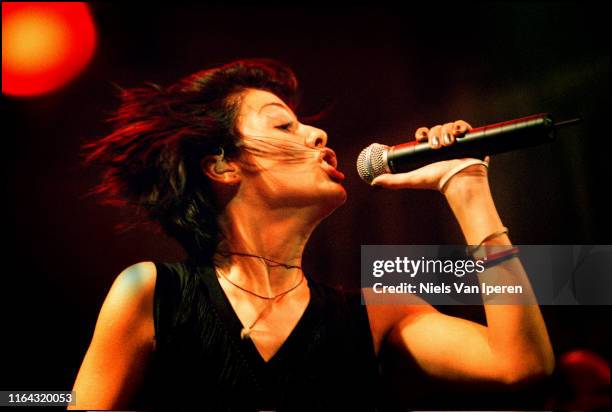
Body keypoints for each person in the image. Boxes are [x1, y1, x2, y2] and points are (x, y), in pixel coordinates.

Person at [69, 59, 554, 411]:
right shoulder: (153, 295)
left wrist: (466, 189)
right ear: (221, 165)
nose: (317, 134)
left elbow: (520, 364)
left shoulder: (377, 312)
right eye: (283, 125)